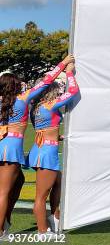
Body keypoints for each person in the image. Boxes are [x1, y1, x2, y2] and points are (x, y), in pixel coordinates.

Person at [0, 55, 73, 239]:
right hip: (11, 150)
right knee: (4, 191)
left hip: (3, 146)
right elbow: (47, 80)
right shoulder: (23, 98)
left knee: (19, 182)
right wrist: (64, 65)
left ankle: (6, 222)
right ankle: (0, 231)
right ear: (14, 86)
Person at [28, 60, 79, 234]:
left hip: (40, 150)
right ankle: (43, 232)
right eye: (57, 88)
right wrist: (70, 72)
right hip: (46, 153)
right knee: (41, 196)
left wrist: (59, 137)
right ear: (49, 91)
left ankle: (54, 216)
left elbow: (44, 129)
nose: (59, 90)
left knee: (59, 181)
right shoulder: (49, 105)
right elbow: (73, 91)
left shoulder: (36, 107)